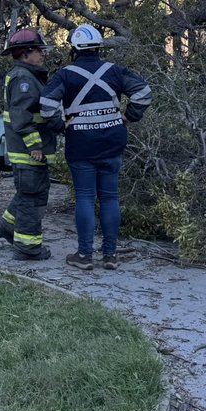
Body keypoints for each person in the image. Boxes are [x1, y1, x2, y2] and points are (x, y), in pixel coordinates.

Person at [40, 24, 152, 270]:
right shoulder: (115, 71)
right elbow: (143, 92)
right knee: (110, 197)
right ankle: (110, 255)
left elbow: (47, 105)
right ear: (98, 48)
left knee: (85, 198)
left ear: (75, 49)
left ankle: (84, 255)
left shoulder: (64, 75)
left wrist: (61, 126)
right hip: (113, 142)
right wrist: (128, 117)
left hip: (81, 145)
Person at [0, 28, 60, 261]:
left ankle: (7, 226)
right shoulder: (24, 78)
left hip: (29, 151)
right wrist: (35, 146)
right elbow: (22, 117)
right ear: (25, 54)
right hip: (29, 152)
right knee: (32, 198)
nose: (42, 54)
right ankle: (27, 247)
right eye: (38, 50)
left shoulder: (27, 75)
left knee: (29, 193)